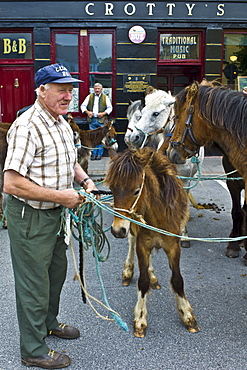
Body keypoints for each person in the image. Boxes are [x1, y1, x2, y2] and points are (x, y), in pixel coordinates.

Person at [3, 63, 98, 369]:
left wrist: (85, 182)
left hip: (56, 214)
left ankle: (47, 322)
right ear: (41, 91)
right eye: (60, 89)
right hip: (30, 216)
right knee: (33, 283)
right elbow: (11, 182)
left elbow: (68, 161)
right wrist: (64, 197)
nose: (68, 95)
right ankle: (32, 349)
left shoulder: (60, 122)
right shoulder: (27, 126)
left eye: (70, 89)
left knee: (55, 274)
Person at [80, 82, 112, 160]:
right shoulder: (89, 97)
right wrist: (87, 112)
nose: (97, 90)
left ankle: (99, 154)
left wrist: (103, 113)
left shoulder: (105, 97)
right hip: (92, 120)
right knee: (92, 138)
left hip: (101, 120)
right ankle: (93, 154)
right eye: (95, 88)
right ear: (93, 89)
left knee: (101, 138)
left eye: (98, 89)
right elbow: (83, 106)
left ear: (101, 89)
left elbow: (110, 108)